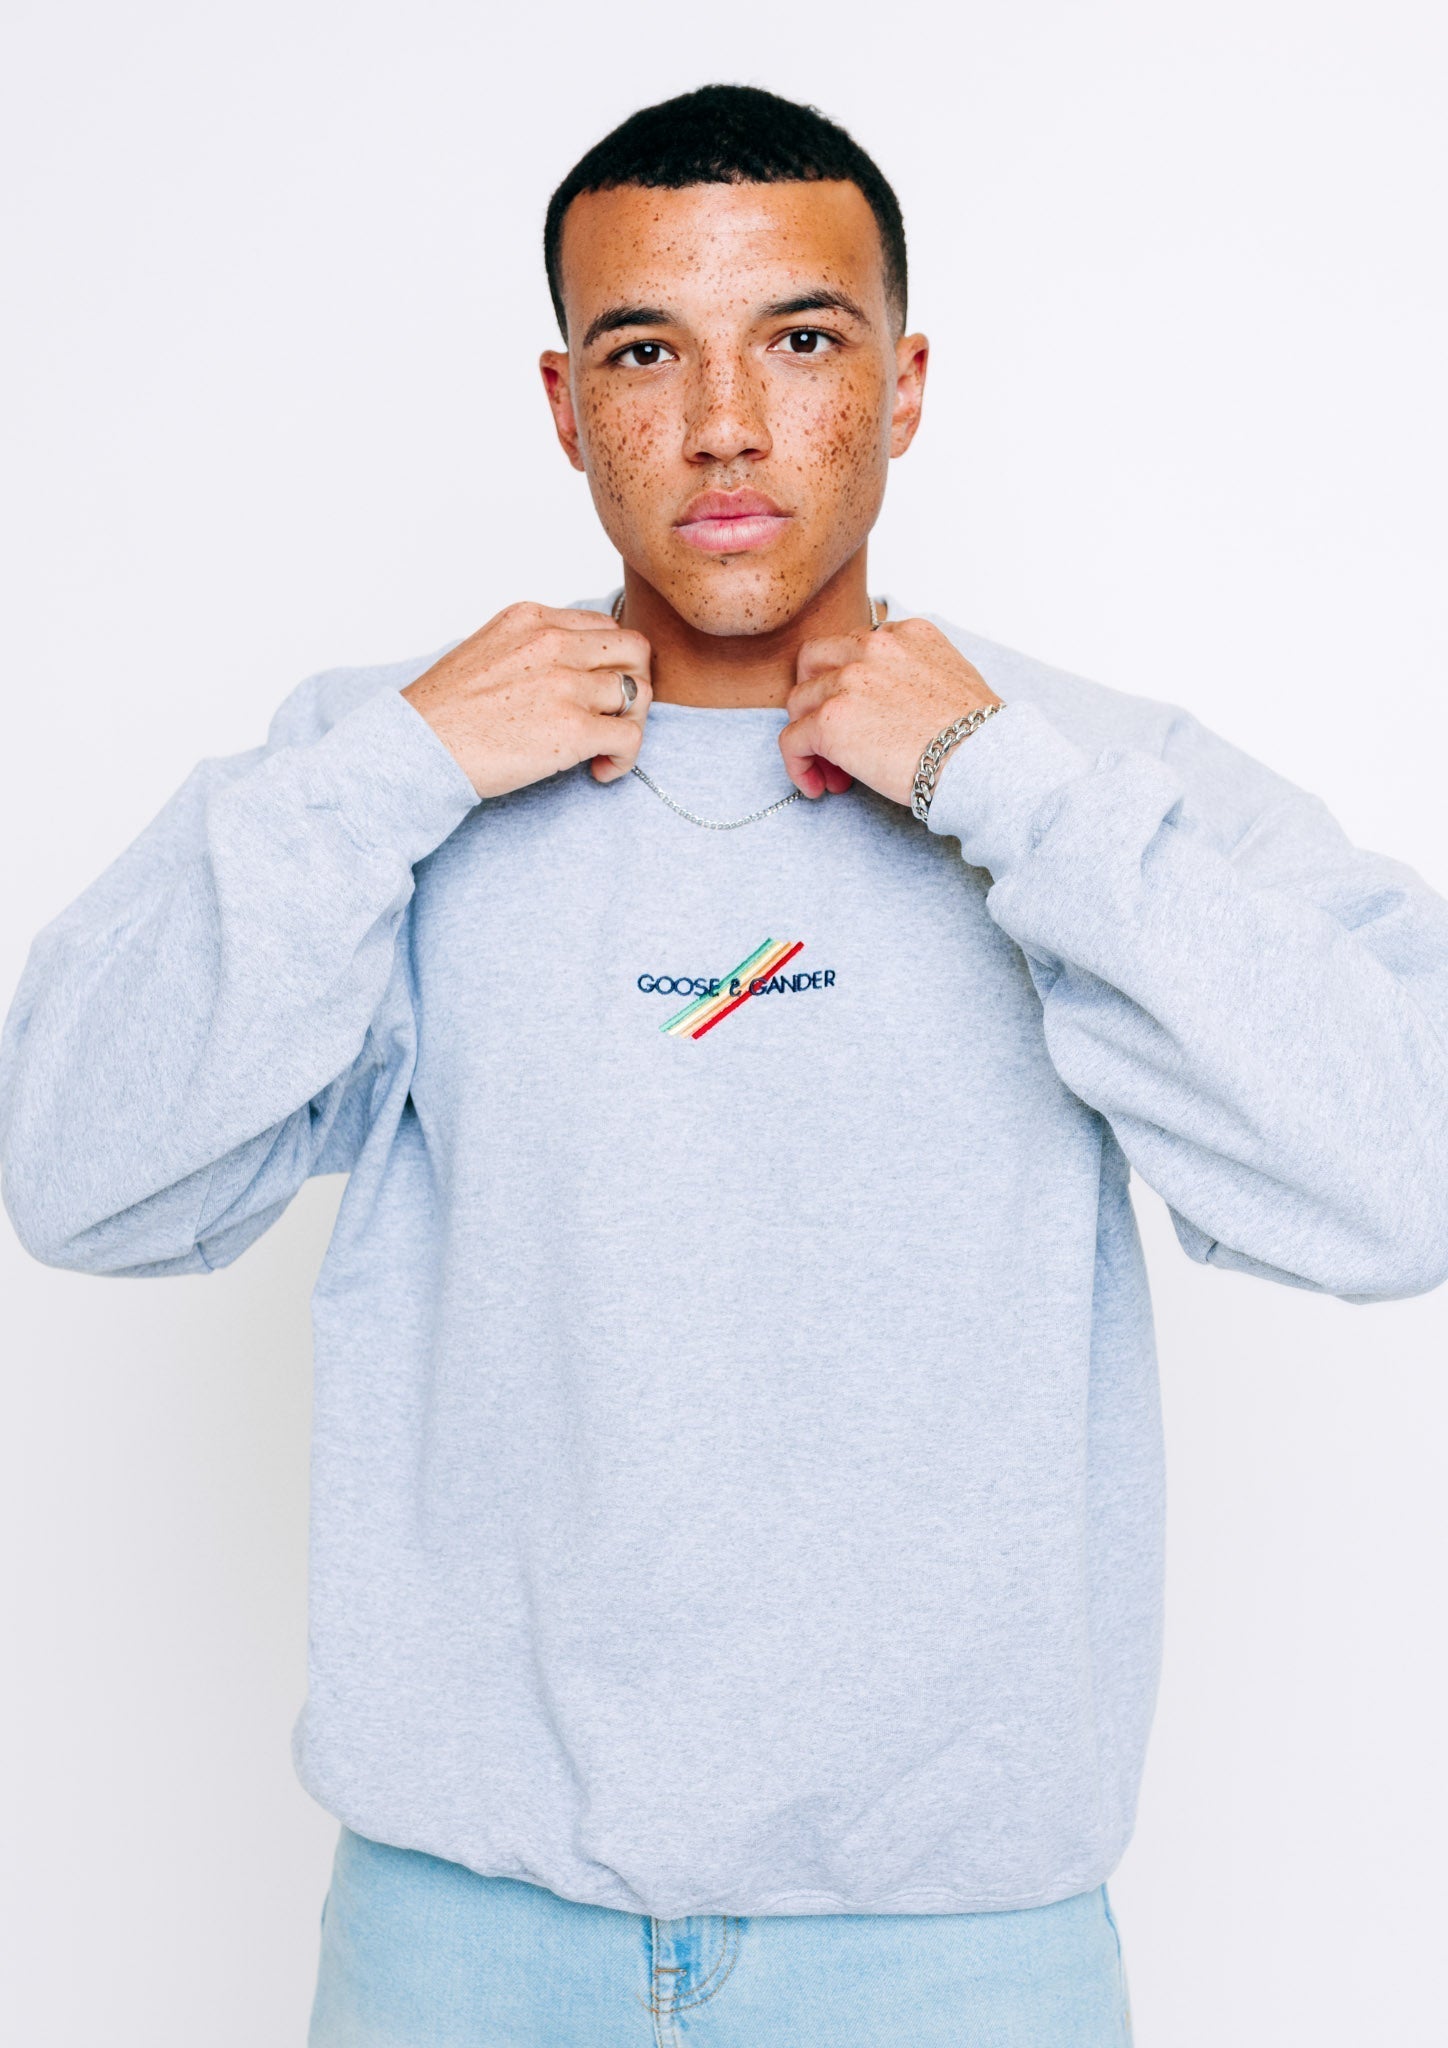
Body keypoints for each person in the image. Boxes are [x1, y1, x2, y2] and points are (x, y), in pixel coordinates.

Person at [3, 78, 1447, 2048]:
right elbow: (74, 1172)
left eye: (802, 341)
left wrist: (1001, 783)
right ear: (564, 403)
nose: (725, 425)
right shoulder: (386, 772)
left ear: (906, 385)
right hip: (463, 1952)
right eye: (645, 352)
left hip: (954, 1963)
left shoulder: (1087, 781)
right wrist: (394, 772)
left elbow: (1402, 1180)